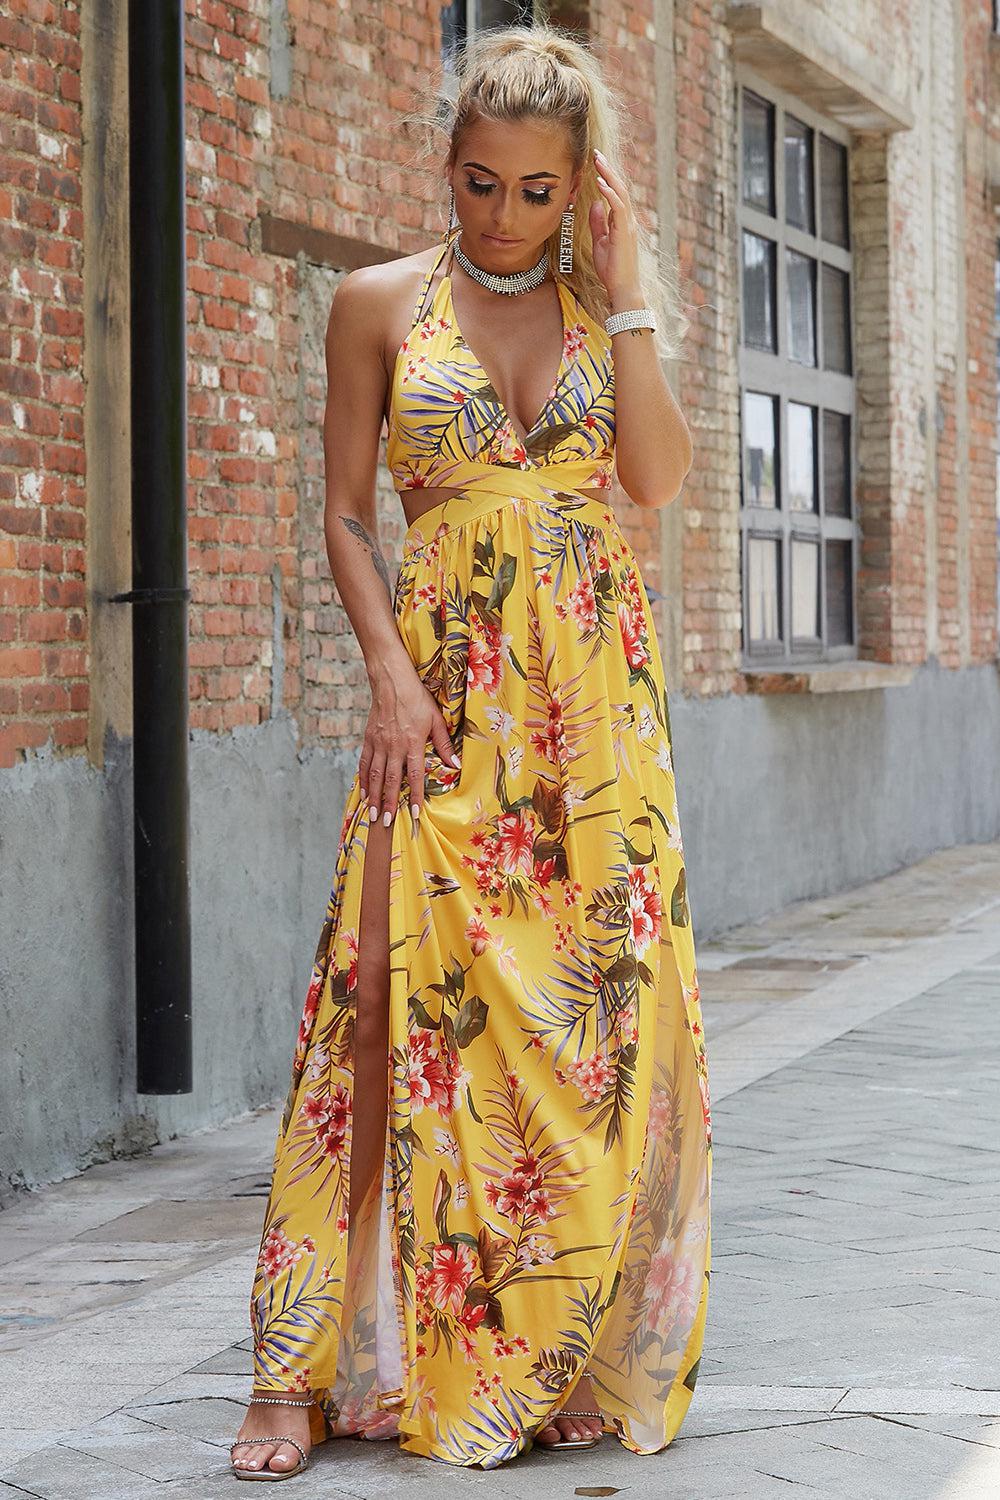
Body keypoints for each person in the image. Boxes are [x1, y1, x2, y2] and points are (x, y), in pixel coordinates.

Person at [230, 22, 711, 1481]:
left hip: (595, 718)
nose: (500, 215)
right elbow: (344, 515)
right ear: (445, 164)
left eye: (536, 192)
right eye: (477, 180)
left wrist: (626, 298)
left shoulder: (603, 309)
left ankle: (558, 1346)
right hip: (436, 701)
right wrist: (384, 674)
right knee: (379, 1011)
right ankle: (293, 1370)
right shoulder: (378, 301)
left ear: (583, 190)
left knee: (596, 1025)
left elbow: (654, 479)